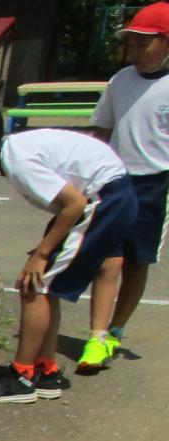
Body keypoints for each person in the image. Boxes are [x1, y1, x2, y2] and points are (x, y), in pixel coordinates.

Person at [0, 96, 137, 402]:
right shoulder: (13, 153)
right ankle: (46, 370)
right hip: (106, 196)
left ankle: (22, 378)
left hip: (102, 201)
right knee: (42, 284)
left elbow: (75, 204)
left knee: (35, 284)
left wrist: (43, 253)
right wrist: (46, 249)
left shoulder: (19, 161)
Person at [87, 1, 169, 364]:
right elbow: (102, 128)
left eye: (143, 43)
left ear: (166, 42)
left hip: (156, 185)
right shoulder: (120, 81)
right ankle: (98, 335)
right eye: (131, 43)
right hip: (116, 181)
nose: (133, 51)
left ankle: (116, 330)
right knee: (109, 260)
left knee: (137, 261)